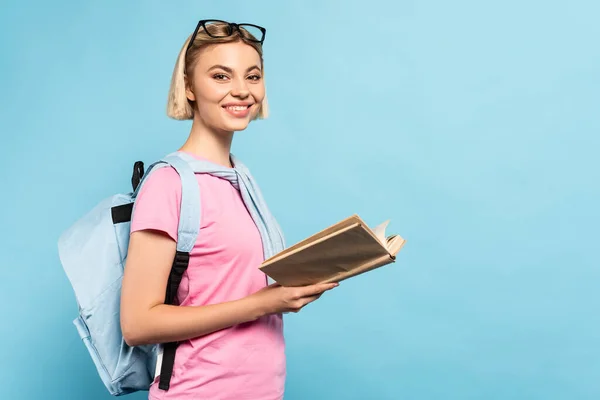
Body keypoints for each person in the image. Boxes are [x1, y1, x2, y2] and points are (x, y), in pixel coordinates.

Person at [119, 19, 338, 400]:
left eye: (252, 76)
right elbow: (137, 323)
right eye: (221, 76)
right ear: (188, 87)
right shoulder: (170, 183)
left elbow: (232, 282)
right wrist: (262, 304)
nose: (242, 90)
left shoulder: (242, 177)